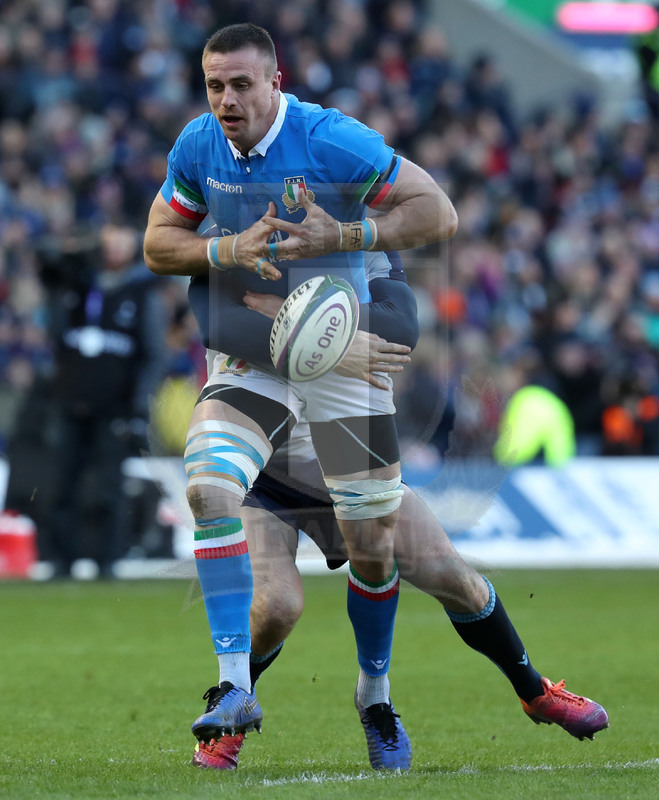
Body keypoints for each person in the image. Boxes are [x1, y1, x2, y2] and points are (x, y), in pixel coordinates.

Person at [143, 21, 457, 754]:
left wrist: (343, 238)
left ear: (274, 82)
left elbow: (436, 211)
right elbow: (159, 242)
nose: (225, 99)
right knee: (207, 487)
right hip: (259, 358)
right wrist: (222, 248)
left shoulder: (330, 140)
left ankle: (373, 696)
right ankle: (231, 687)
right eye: (214, 85)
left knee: (374, 545)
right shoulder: (196, 145)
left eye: (241, 84)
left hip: (341, 357)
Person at [188, 269, 609, 771]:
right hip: (261, 470)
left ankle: (530, 690)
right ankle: (230, 713)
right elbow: (214, 320)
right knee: (276, 605)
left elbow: (402, 323)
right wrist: (308, 330)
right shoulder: (237, 223)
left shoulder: (357, 224)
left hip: (347, 456)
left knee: (456, 579)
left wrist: (316, 323)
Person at [6, 223, 168, 578]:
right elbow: (46, 279)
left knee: (109, 488)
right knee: (61, 484)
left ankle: (106, 563)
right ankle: (62, 563)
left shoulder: (142, 295)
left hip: (114, 408)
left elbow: (155, 355)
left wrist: (140, 404)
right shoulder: (75, 287)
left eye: (122, 241)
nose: (114, 248)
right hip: (68, 402)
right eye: (108, 240)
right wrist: (68, 255)